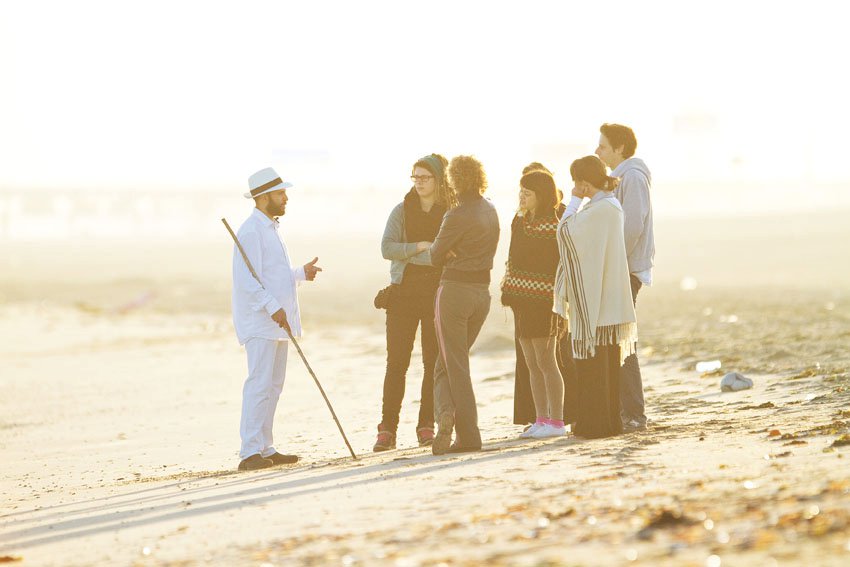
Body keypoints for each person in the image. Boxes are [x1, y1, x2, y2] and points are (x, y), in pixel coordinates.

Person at [231, 167, 322, 471]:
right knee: (259, 384)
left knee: (273, 385)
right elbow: (246, 280)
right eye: (281, 193)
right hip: (261, 323)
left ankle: (265, 447)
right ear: (264, 196)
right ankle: (249, 451)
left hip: (278, 321)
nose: (285, 198)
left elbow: (272, 274)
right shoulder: (251, 230)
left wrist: (300, 274)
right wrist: (271, 306)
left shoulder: (271, 228)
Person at [373, 154, 456, 451]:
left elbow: (447, 254)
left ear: (438, 180)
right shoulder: (401, 210)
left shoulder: (449, 212)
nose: (419, 182)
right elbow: (387, 248)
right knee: (396, 363)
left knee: (432, 363)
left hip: (437, 293)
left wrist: (418, 253)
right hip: (402, 293)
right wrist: (420, 247)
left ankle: (426, 425)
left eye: (424, 177)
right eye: (415, 177)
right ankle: (387, 429)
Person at [554, 156, 637, 439]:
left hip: (596, 303)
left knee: (593, 366)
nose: (576, 187)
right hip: (608, 298)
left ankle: (594, 425)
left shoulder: (600, 210)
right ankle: (609, 423)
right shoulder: (610, 206)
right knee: (607, 365)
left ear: (584, 182)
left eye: (577, 182)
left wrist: (574, 201)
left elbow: (564, 232)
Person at [430, 155, 500, 455]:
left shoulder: (456, 215)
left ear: (453, 180)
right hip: (482, 293)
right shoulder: (491, 210)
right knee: (446, 363)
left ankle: (468, 434)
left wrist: (448, 252)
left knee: (454, 365)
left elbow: (435, 255)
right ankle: (446, 412)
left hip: (455, 292)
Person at [596, 123, 655, 430]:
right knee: (616, 338)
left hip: (626, 269)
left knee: (622, 339)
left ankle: (633, 413)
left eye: (603, 146)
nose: (597, 151)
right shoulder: (620, 177)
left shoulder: (632, 176)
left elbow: (632, 226)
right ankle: (624, 410)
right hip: (620, 268)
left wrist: (613, 262)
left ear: (619, 147)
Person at [501, 169, 565, 439]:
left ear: (542, 195)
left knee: (546, 359)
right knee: (530, 360)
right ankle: (541, 418)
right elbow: (513, 256)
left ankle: (557, 421)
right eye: (521, 192)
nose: (522, 197)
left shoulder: (556, 223)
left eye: (528, 193)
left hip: (544, 300)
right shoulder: (519, 221)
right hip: (521, 299)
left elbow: (557, 264)